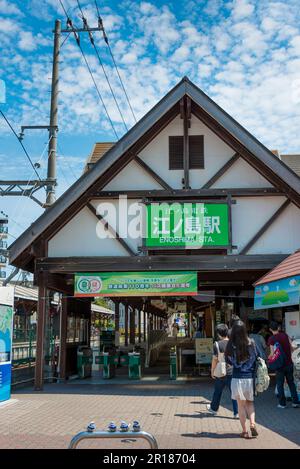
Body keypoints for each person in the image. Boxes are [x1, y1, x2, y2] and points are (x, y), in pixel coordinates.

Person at [225, 320, 258, 439]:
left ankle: (244, 431)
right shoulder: (251, 342)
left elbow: (228, 360)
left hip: (237, 377)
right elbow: (256, 357)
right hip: (249, 378)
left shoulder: (231, 344)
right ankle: (253, 424)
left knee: (240, 406)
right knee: (250, 403)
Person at [207, 323, 238, 419]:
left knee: (217, 391)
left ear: (219, 334)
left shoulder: (217, 344)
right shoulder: (233, 343)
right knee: (234, 392)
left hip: (221, 371)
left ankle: (213, 409)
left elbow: (215, 359)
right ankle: (236, 412)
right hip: (232, 371)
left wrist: (212, 371)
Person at [268, 321, 300, 409]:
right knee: (291, 383)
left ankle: (282, 404)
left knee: (280, 384)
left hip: (279, 366)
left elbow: (272, 353)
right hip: (289, 364)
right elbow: (292, 348)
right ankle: (295, 402)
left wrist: (269, 358)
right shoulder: (285, 335)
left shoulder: (271, 339)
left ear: (270, 329)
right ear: (278, 328)